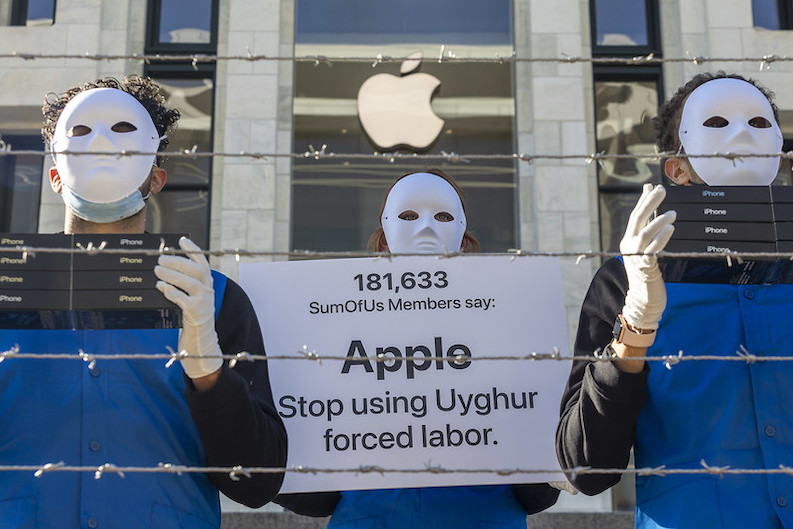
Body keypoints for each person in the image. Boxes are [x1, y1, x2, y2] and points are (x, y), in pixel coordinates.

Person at [0, 76, 287, 528]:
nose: (101, 145)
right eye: (81, 133)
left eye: (122, 132)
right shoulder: (7, 287)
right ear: (54, 176)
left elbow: (256, 484)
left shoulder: (214, 298)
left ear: (156, 177)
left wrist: (208, 369)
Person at [556, 71, 793, 528]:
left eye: (759, 124)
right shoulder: (624, 279)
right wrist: (635, 328)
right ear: (677, 168)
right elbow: (584, 467)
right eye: (717, 123)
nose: (742, 134)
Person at [276, 169, 560, 528]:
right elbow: (309, 485)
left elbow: (538, 492)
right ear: (383, 241)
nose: (426, 228)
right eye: (409, 216)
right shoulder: (336, 331)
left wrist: (547, 455)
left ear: (461, 239)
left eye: (442, 216)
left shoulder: (512, 325)